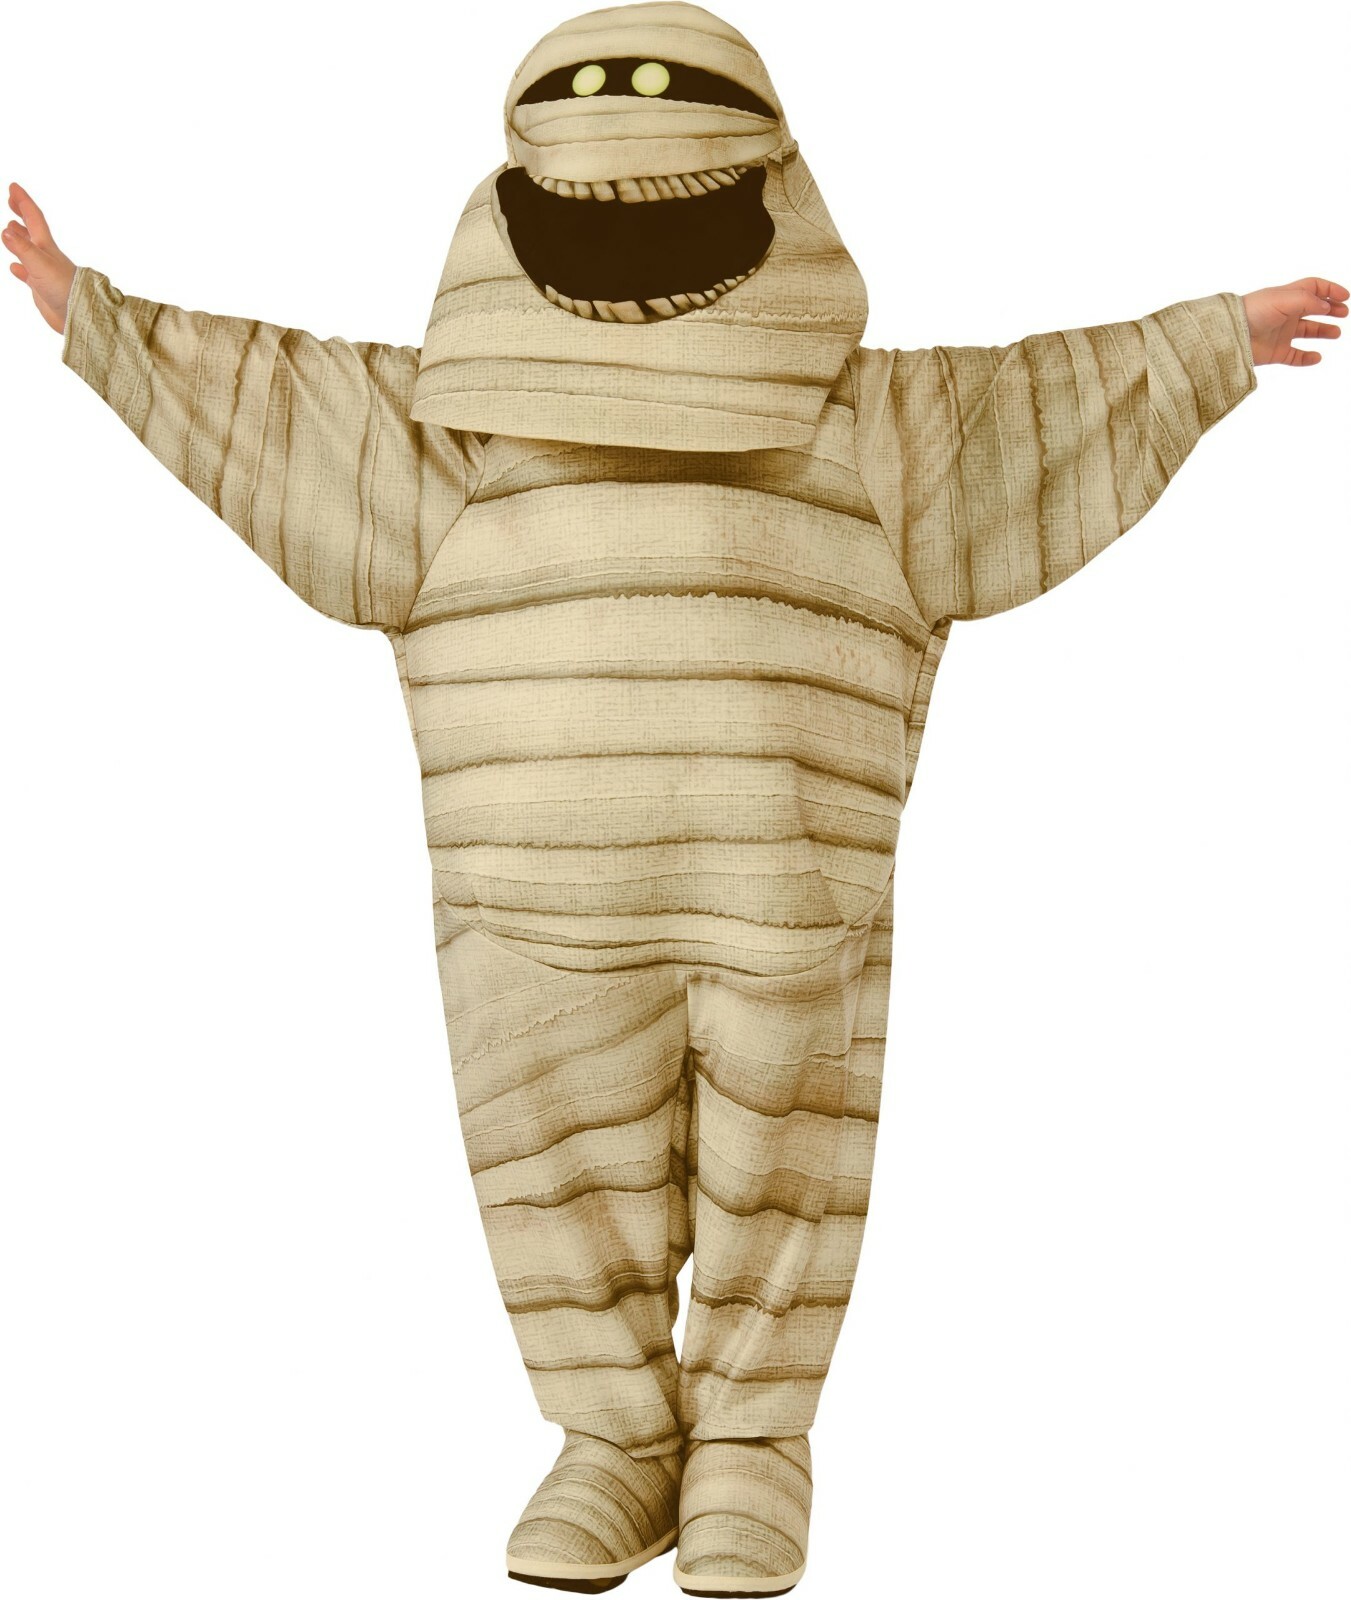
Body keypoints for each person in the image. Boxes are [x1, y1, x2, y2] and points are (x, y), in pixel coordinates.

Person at [6, 3, 1344, 1594]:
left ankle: (756, 1443)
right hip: (533, 917)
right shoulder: (445, 434)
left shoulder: (874, 431)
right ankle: (613, 1439)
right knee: (554, 1174)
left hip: (784, 900)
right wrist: (98, 317)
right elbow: (267, 400)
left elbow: (1034, 406)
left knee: (790, 1163)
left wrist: (1204, 344)